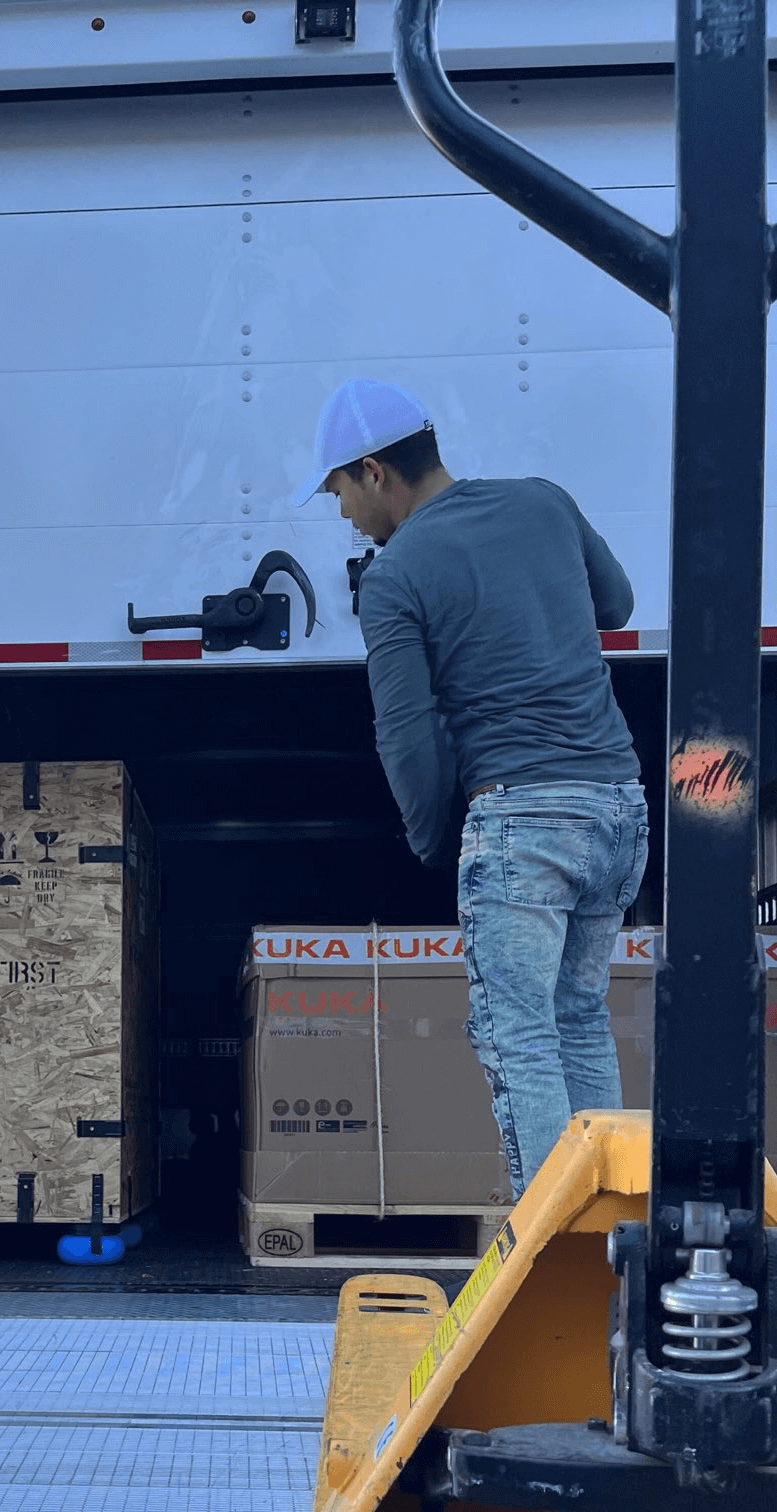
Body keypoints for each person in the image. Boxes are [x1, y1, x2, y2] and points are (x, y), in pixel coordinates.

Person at [292, 377, 649, 1200]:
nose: (342, 513)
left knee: (515, 1033)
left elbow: (407, 733)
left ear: (375, 472)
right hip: (617, 806)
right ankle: (608, 1235)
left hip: (524, 820)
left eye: (339, 491)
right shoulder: (543, 503)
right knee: (578, 1018)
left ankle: (545, 1249)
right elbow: (618, 604)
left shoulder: (395, 575)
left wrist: (426, 836)